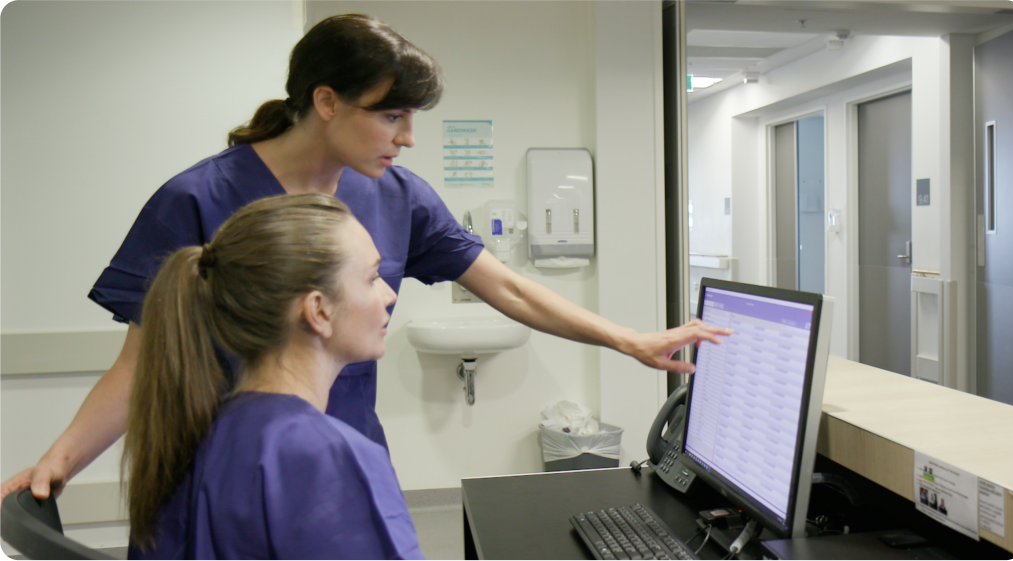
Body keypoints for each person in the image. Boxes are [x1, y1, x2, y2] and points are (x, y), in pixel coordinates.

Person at [1, 13, 730, 505]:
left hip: (341, 462)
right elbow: (142, 363)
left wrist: (627, 339)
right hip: (216, 479)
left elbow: (505, 286)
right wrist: (58, 461)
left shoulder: (397, 195)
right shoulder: (199, 197)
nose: (407, 137)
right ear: (325, 100)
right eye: (391, 114)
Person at [123, 193, 419, 559]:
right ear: (318, 311)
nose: (388, 294)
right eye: (372, 277)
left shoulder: (192, 435)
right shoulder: (327, 459)